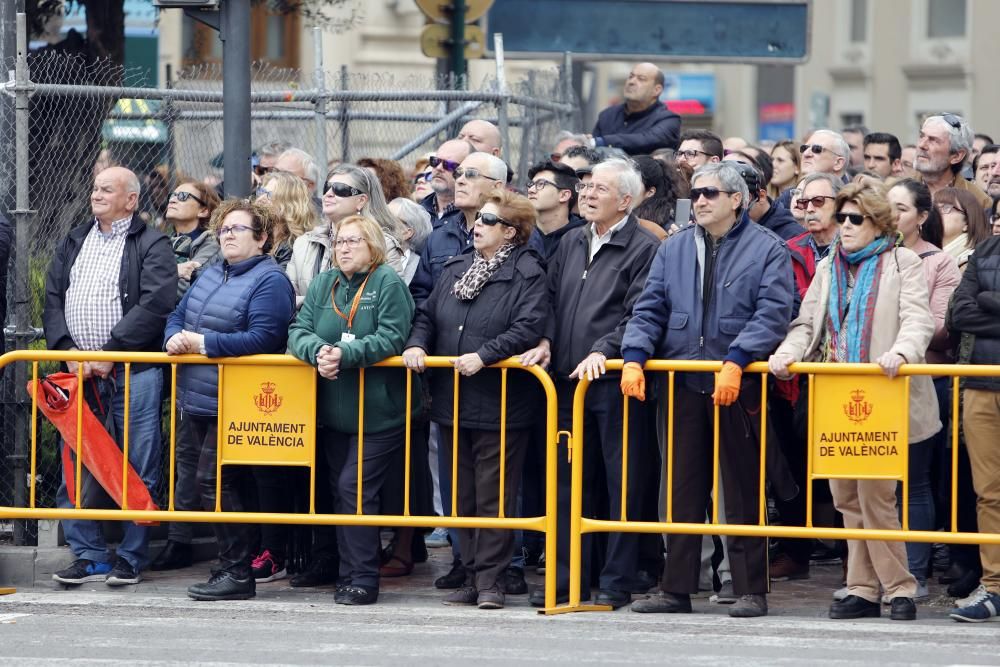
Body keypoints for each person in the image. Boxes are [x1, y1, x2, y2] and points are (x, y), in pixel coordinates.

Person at [625, 162, 795, 619]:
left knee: (740, 489)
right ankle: (675, 587)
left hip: (735, 384)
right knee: (680, 489)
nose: (699, 200)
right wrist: (635, 357)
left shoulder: (767, 249)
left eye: (710, 193)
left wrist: (738, 360)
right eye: (696, 192)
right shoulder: (674, 247)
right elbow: (650, 307)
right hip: (681, 379)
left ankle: (750, 589)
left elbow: (773, 312)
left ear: (736, 199)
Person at [769, 182, 939, 622]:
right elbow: (807, 323)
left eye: (854, 219)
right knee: (847, 499)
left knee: (877, 497)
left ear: (877, 222)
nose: (843, 226)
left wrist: (902, 352)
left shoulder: (902, 262)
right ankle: (863, 588)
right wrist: (788, 351)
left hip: (886, 394)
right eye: (841, 217)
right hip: (835, 396)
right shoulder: (827, 267)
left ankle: (900, 588)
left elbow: (918, 318)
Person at [524, 158, 661, 609]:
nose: (588, 193)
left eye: (599, 188)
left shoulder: (644, 245)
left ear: (626, 200)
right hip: (564, 383)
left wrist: (605, 349)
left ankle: (616, 579)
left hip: (612, 381)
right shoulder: (571, 241)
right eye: (585, 186)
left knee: (621, 482)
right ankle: (567, 580)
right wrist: (544, 338)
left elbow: (641, 312)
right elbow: (548, 296)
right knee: (566, 483)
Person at [403, 190, 549, 609]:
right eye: (478, 219)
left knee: (494, 497)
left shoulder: (527, 271)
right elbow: (428, 314)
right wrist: (417, 344)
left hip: (500, 402)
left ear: (510, 231)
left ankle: (492, 580)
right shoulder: (457, 267)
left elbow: (529, 324)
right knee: (458, 496)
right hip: (452, 400)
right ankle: (468, 573)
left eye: (488, 220)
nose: (478, 225)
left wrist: (485, 355)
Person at [45, 167, 176, 587]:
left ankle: (132, 557)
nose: (96, 194)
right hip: (77, 375)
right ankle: (89, 555)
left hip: (133, 372)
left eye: (107, 189)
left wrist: (111, 351)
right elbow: (52, 296)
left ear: (131, 200)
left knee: (140, 465)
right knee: (76, 464)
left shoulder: (153, 243)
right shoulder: (75, 238)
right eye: (95, 187)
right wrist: (65, 349)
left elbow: (158, 301)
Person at [164, 199, 295, 600]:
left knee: (216, 482)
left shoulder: (270, 280)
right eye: (224, 230)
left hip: (237, 401)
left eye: (238, 229)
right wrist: (172, 336)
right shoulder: (210, 273)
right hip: (197, 397)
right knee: (214, 484)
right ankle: (230, 564)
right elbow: (178, 313)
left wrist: (205, 344)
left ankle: (238, 571)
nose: (228, 236)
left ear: (262, 238)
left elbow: (264, 338)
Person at [288, 215, 416, 606]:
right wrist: (319, 353)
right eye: (340, 241)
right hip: (334, 410)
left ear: (373, 245)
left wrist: (345, 354)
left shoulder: (387, 282)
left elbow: (392, 337)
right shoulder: (325, 282)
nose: (343, 248)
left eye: (353, 241)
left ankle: (363, 577)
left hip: (379, 412)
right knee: (339, 492)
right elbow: (299, 330)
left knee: (354, 489)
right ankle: (347, 573)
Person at [887, 179, 960, 597]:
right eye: (888, 206)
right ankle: (875, 572)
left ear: (921, 216)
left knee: (914, 483)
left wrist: (896, 336)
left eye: (901, 208)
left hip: (920, 380)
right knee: (872, 487)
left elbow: (940, 327)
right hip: (870, 384)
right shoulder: (873, 257)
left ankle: (913, 572)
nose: (893, 215)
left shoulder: (937, 263)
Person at [946, 218, 1000, 622]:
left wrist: (989, 299)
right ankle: (995, 587)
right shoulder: (984, 253)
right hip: (982, 386)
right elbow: (959, 314)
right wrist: (981, 301)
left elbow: (976, 306)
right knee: (989, 492)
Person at [410, 152, 507, 305]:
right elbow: (419, 294)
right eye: (459, 174)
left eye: (471, 174)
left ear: (497, 186)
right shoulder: (438, 235)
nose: (460, 181)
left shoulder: (511, 235)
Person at [590, 63, 681, 155]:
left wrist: (603, 141)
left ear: (656, 90)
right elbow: (592, 151)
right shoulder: (607, 115)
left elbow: (647, 140)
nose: (632, 82)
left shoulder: (669, 119)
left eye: (641, 79)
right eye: (630, 76)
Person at [916, 114, 991, 210]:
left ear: (956, 156)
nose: (921, 145)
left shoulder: (979, 201)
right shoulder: (897, 190)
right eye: (922, 136)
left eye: (933, 140)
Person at [163, 180, 220, 303]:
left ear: (203, 211)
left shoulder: (212, 244)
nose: (172, 200)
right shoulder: (164, 242)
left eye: (183, 196)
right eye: (171, 196)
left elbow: (182, 289)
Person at [257, 170, 320, 269]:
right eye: (261, 192)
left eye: (270, 195)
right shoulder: (257, 235)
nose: (261, 198)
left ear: (290, 204)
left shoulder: (294, 246)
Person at [525, 160, 584, 261]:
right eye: (531, 184)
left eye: (541, 184)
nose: (531, 190)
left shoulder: (582, 239)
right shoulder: (520, 233)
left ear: (564, 195)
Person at [420, 139, 474, 226]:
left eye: (449, 165)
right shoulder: (418, 210)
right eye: (435, 161)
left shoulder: (472, 218)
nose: (439, 168)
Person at [935, 187, 990, 271]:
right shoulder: (919, 254)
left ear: (967, 222)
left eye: (946, 207)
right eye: (934, 207)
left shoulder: (975, 264)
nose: (936, 212)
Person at [388, 197, 434, 285]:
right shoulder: (368, 256)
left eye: (389, 218)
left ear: (407, 232)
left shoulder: (420, 267)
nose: (380, 222)